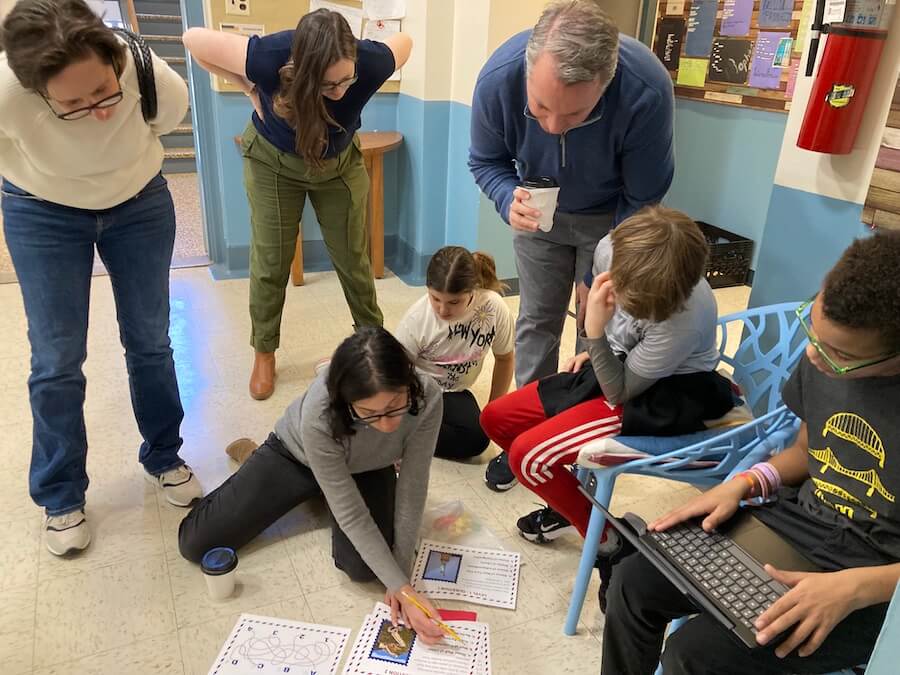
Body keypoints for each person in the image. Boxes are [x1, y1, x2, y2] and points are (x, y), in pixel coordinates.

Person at [602, 232, 900, 674]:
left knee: (693, 655)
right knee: (633, 581)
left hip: (878, 579)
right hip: (804, 524)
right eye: (813, 331)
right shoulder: (826, 353)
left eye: (838, 355)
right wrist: (742, 484)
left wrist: (854, 588)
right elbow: (807, 450)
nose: (816, 357)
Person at [0, 0, 202, 556]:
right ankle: (61, 495)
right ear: (34, 89)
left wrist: (108, 107)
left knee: (150, 339)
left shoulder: (142, 67)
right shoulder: (5, 94)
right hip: (41, 210)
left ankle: (164, 455)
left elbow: (167, 119)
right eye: (74, 103)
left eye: (105, 90)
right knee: (57, 357)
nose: (102, 110)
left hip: (139, 202)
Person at [481, 207, 735, 598]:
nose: (625, 303)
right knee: (496, 419)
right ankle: (580, 507)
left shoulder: (684, 316)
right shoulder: (608, 249)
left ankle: (611, 543)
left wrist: (593, 333)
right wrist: (600, 346)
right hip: (616, 364)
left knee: (528, 458)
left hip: (665, 393)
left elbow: (620, 392)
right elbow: (620, 338)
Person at [182, 11, 413, 401]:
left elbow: (404, 45)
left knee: (354, 260)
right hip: (273, 162)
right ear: (301, 69)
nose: (340, 91)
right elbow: (192, 39)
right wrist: (248, 89)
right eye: (328, 83)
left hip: (338, 164)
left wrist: (366, 66)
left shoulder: (368, 60)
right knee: (272, 261)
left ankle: (373, 345)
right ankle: (265, 352)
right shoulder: (268, 57)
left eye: (347, 80)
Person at [178, 327, 445, 643]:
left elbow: (413, 488)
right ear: (345, 400)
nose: (387, 426)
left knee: (365, 569)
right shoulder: (319, 413)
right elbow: (352, 515)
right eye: (369, 414)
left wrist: (402, 584)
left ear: (409, 382)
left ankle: (328, 490)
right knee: (196, 543)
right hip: (296, 456)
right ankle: (252, 456)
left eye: (395, 407)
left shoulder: (428, 396)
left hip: (368, 467)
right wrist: (402, 587)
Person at [468, 0, 674, 392]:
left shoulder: (646, 88)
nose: (551, 127)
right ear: (528, 73)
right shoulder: (498, 79)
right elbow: (485, 161)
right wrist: (505, 194)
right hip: (536, 212)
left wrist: (596, 270)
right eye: (540, 107)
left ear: (606, 83)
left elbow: (644, 195)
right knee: (537, 320)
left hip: (614, 218)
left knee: (597, 323)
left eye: (576, 115)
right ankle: (530, 424)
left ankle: (579, 425)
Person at [393, 246, 515, 460]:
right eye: (435, 299)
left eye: (454, 302)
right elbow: (393, 377)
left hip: (452, 392)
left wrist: (494, 411)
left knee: (477, 439)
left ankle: (409, 435)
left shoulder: (493, 308)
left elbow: (505, 358)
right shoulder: (417, 319)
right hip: (413, 390)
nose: (443, 310)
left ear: (472, 292)